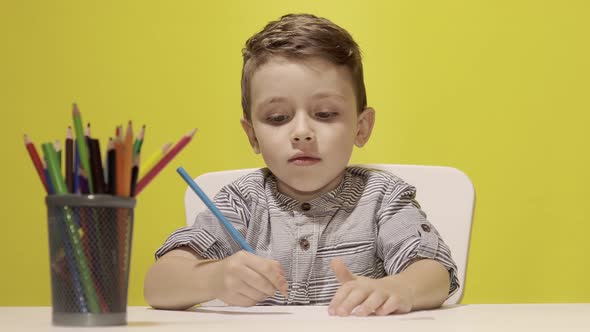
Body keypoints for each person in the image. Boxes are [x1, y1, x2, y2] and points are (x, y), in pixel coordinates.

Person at [144, 13, 458, 317]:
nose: (302, 132)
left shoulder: (382, 198)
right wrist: (212, 278)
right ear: (252, 135)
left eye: (325, 114)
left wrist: (400, 288)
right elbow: (157, 285)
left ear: (361, 127)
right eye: (278, 118)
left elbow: (435, 273)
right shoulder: (242, 202)